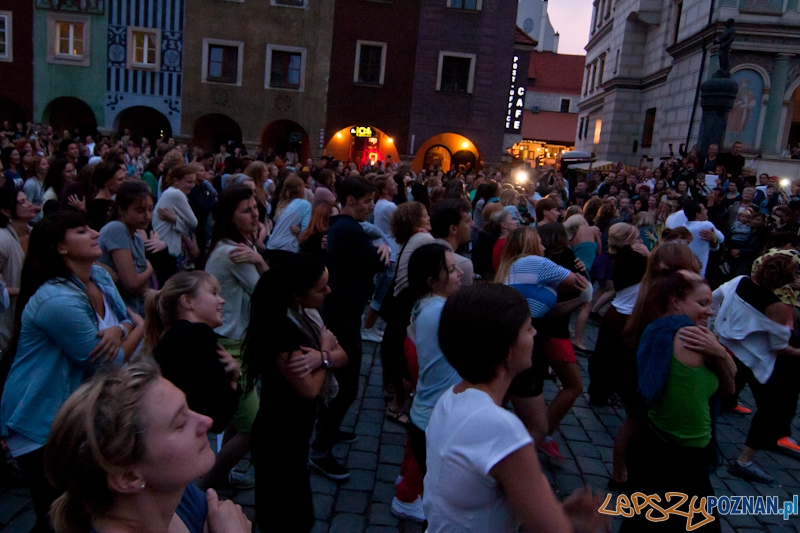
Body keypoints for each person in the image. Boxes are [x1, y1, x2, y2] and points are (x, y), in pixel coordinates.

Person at [0, 211, 144, 533]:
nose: (95, 233)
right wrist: (140, 326)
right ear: (60, 248)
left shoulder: (101, 277)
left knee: (78, 510)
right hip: (40, 419)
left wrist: (122, 327)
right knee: (56, 514)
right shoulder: (56, 300)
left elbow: (124, 319)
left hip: (73, 415)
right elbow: (108, 360)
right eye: (82, 230)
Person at [424, 283, 604, 533]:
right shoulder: (500, 429)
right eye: (528, 327)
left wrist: (554, 513)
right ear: (508, 349)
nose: (534, 333)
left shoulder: (451, 398)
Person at [43, 363, 251, 533]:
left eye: (188, 408)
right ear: (128, 477)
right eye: (180, 423)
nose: (206, 421)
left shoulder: (176, 493)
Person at [620, 270, 735, 533]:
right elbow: (730, 387)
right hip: (678, 454)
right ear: (675, 300)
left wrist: (718, 353)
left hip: (664, 447)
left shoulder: (662, 331)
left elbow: (729, 386)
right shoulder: (692, 339)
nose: (710, 312)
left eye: (710, 304)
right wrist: (720, 354)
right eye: (702, 303)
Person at [243, 254, 347, 532]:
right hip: (280, 435)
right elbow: (309, 388)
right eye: (321, 288)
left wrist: (323, 357)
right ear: (298, 294)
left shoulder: (304, 315)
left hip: (292, 432)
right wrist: (325, 355)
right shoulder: (282, 330)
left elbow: (343, 355)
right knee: (287, 517)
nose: (328, 291)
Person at [309, 177, 389, 480]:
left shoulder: (343, 227)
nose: (370, 207)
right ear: (351, 199)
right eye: (367, 201)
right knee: (347, 385)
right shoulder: (348, 230)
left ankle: (329, 430)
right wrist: (381, 251)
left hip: (344, 311)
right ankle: (320, 450)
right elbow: (379, 264)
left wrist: (379, 244)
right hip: (342, 314)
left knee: (344, 382)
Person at [608, 241, 700, 491]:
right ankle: (621, 475)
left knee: (633, 421)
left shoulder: (652, 285)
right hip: (647, 363)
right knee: (637, 423)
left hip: (632, 357)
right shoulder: (668, 295)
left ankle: (619, 474)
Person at [496, 226, 590, 452]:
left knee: (500, 404)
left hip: (519, 337)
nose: (544, 246)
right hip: (525, 344)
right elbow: (581, 284)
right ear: (529, 244)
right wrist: (584, 273)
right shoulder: (535, 263)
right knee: (537, 425)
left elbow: (547, 311)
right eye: (539, 242)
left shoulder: (512, 265)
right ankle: (515, 472)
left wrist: (581, 301)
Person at [714, 253, 800, 484]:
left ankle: (706, 443)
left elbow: (715, 297)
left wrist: (716, 328)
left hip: (726, 347)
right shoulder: (777, 307)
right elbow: (780, 347)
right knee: (771, 407)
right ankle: (744, 461)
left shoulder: (739, 281)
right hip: (754, 360)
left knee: (714, 395)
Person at [203, 185, 267, 489]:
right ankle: (207, 483)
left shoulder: (232, 246)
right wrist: (259, 259)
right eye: (246, 209)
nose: (255, 213)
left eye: (255, 207)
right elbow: (269, 295)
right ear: (231, 216)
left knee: (235, 417)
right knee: (255, 428)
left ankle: (218, 477)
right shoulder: (235, 253)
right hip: (231, 346)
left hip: (231, 341)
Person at [395, 243, 463, 521]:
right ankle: (406, 497)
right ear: (432, 281)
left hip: (426, 406)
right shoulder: (439, 311)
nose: (459, 273)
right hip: (438, 409)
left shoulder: (430, 305)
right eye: (451, 269)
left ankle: (403, 482)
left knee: (417, 441)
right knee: (430, 462)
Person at [145, 271, 242, 434]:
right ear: (187, 301)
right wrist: (233, 378)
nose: (222, 300)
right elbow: (217, 419)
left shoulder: (172, 337)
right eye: (213, 293)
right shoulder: (198, 335)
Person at [98, 180, 155, 316]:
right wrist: (150, 268)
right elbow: (131, 283)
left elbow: (141, 289)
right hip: (120, 313)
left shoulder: (137, 239)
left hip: (135, 307)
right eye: (140, 210)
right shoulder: (116, 229)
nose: (147, 216)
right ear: (121, 210)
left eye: (150, 209)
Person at [0, 188, 35, 350]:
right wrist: (17, 291)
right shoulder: (2, 240)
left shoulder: (35, 234)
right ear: (6, 211)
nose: (29, 204)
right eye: (21, 202)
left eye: (27, 200)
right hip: (8, 315)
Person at [153, 164, 199, 268]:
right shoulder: (176, 194)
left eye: (193, 182)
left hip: (164, 248)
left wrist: (175, 220)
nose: (192, 185)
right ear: (176, 181)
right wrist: (177, 221)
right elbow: (193, 223)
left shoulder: (168, 193)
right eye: (189, 182)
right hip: (167, 249)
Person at [266, 175, 312, 268]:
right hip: (288, 248)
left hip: (271, 246)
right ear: (299, 188)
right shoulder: (305, 204)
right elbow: (305, 231)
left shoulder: (282, 203)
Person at [430, 198, 474, 286]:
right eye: (467, 221)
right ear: (453, 229)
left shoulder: (424, 250)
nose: (472, 224)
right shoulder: (462, 265)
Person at [87, 160, 125, 231]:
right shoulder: (96, 208)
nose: (123, 182)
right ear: (106, 182)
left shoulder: (115, 202)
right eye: (120, 180)